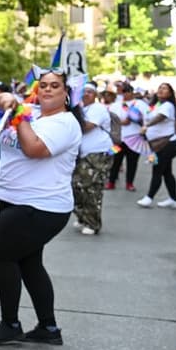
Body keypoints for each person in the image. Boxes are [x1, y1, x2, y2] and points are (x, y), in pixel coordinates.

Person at [0, 70, 82, 346]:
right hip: (14, 199)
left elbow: (34, 149)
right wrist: (7, 99)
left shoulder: (64, 123)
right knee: (28, 262)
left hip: (40, 205)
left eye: (55, 86)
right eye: (44, 85)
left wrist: (20, 116)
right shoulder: (32, 111)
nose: (48, 90)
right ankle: (48, 328)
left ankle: (10, 323)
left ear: (66, 94)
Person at [71, 83, 113, 236]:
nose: (87, 94)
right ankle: (83, 217)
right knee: (77, 186)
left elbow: (86, 126)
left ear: (95, 95)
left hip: (97, 154)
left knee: (91, 188)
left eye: (90, 92)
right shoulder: (81, 109)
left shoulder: (98, 109)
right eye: (84, 91)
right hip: (81, 154)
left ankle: (93, 223)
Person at [137, 82, 176, 209]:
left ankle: (149, 197)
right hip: (158, 145)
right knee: (167, 172)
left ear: (170, 93)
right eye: (160, 88)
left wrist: (147, 126)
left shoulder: (168, 106)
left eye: (165, 89)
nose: (161, 90)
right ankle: (174, 199)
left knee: (157, 170)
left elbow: (160, 117)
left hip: (166, 145)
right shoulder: (156, 105)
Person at [106, 82, 141, 191]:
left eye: (127, 91)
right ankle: (111, 182)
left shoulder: (139, 104)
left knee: (132, 162)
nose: (125, 94)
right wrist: (121, 122)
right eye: (123, 91)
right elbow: (109, 119)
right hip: (118, 140)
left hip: (134, 139)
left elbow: (147, 118)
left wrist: (137, 119)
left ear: (132, 92)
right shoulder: (115, 105)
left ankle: (129, 183)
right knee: (115, 161)